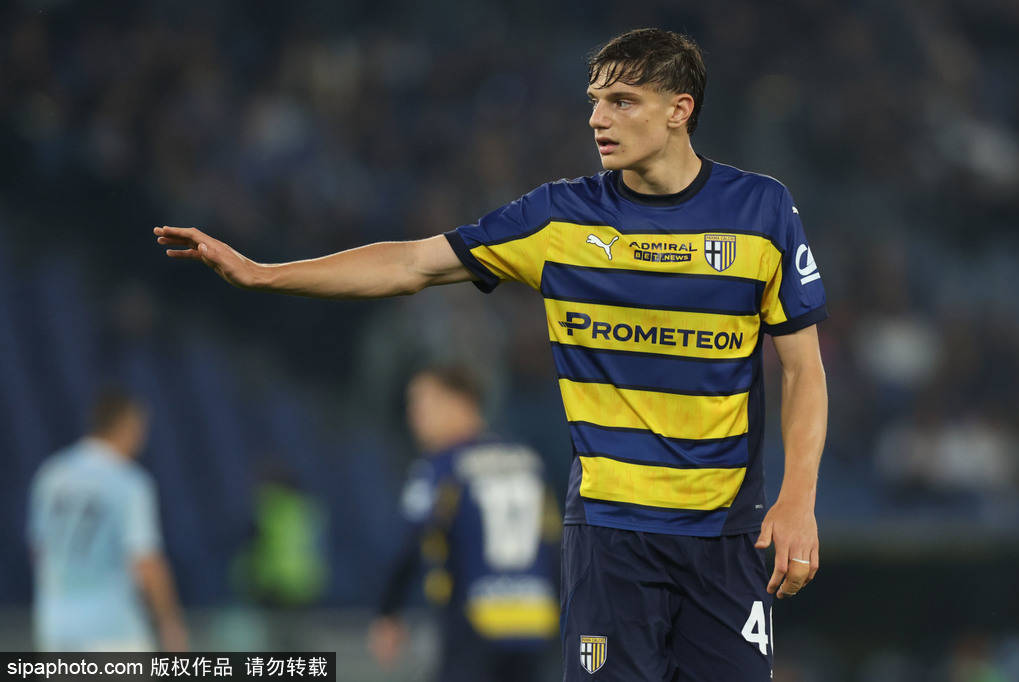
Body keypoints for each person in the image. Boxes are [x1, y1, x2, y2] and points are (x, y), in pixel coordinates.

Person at [155, 27, 828, 681]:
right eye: (594, 100)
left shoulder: (761, 211)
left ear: (680, 110)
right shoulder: (559, 218)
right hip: (610, 534)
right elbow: (412, 263)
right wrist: (265, 273)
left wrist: (798, 498)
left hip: (725, 535)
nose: (597, 118)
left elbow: (803, 368)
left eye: (622, 101)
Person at [367, 366, 561, 681]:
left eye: (424, 403)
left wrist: (388, 612)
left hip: (474, 622)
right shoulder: (529, 462)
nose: (414, 416)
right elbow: (556, 543)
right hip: (536, 621)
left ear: (462, 402)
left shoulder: (444, 466)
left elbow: (409, 541)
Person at [27, 389, 188, 652]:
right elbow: (145, 560)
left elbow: (38, 550)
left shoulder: (51, 475)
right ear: (128, 425)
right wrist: (170, 622)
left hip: (55, 624)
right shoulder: (127, 482)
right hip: (112, 626)